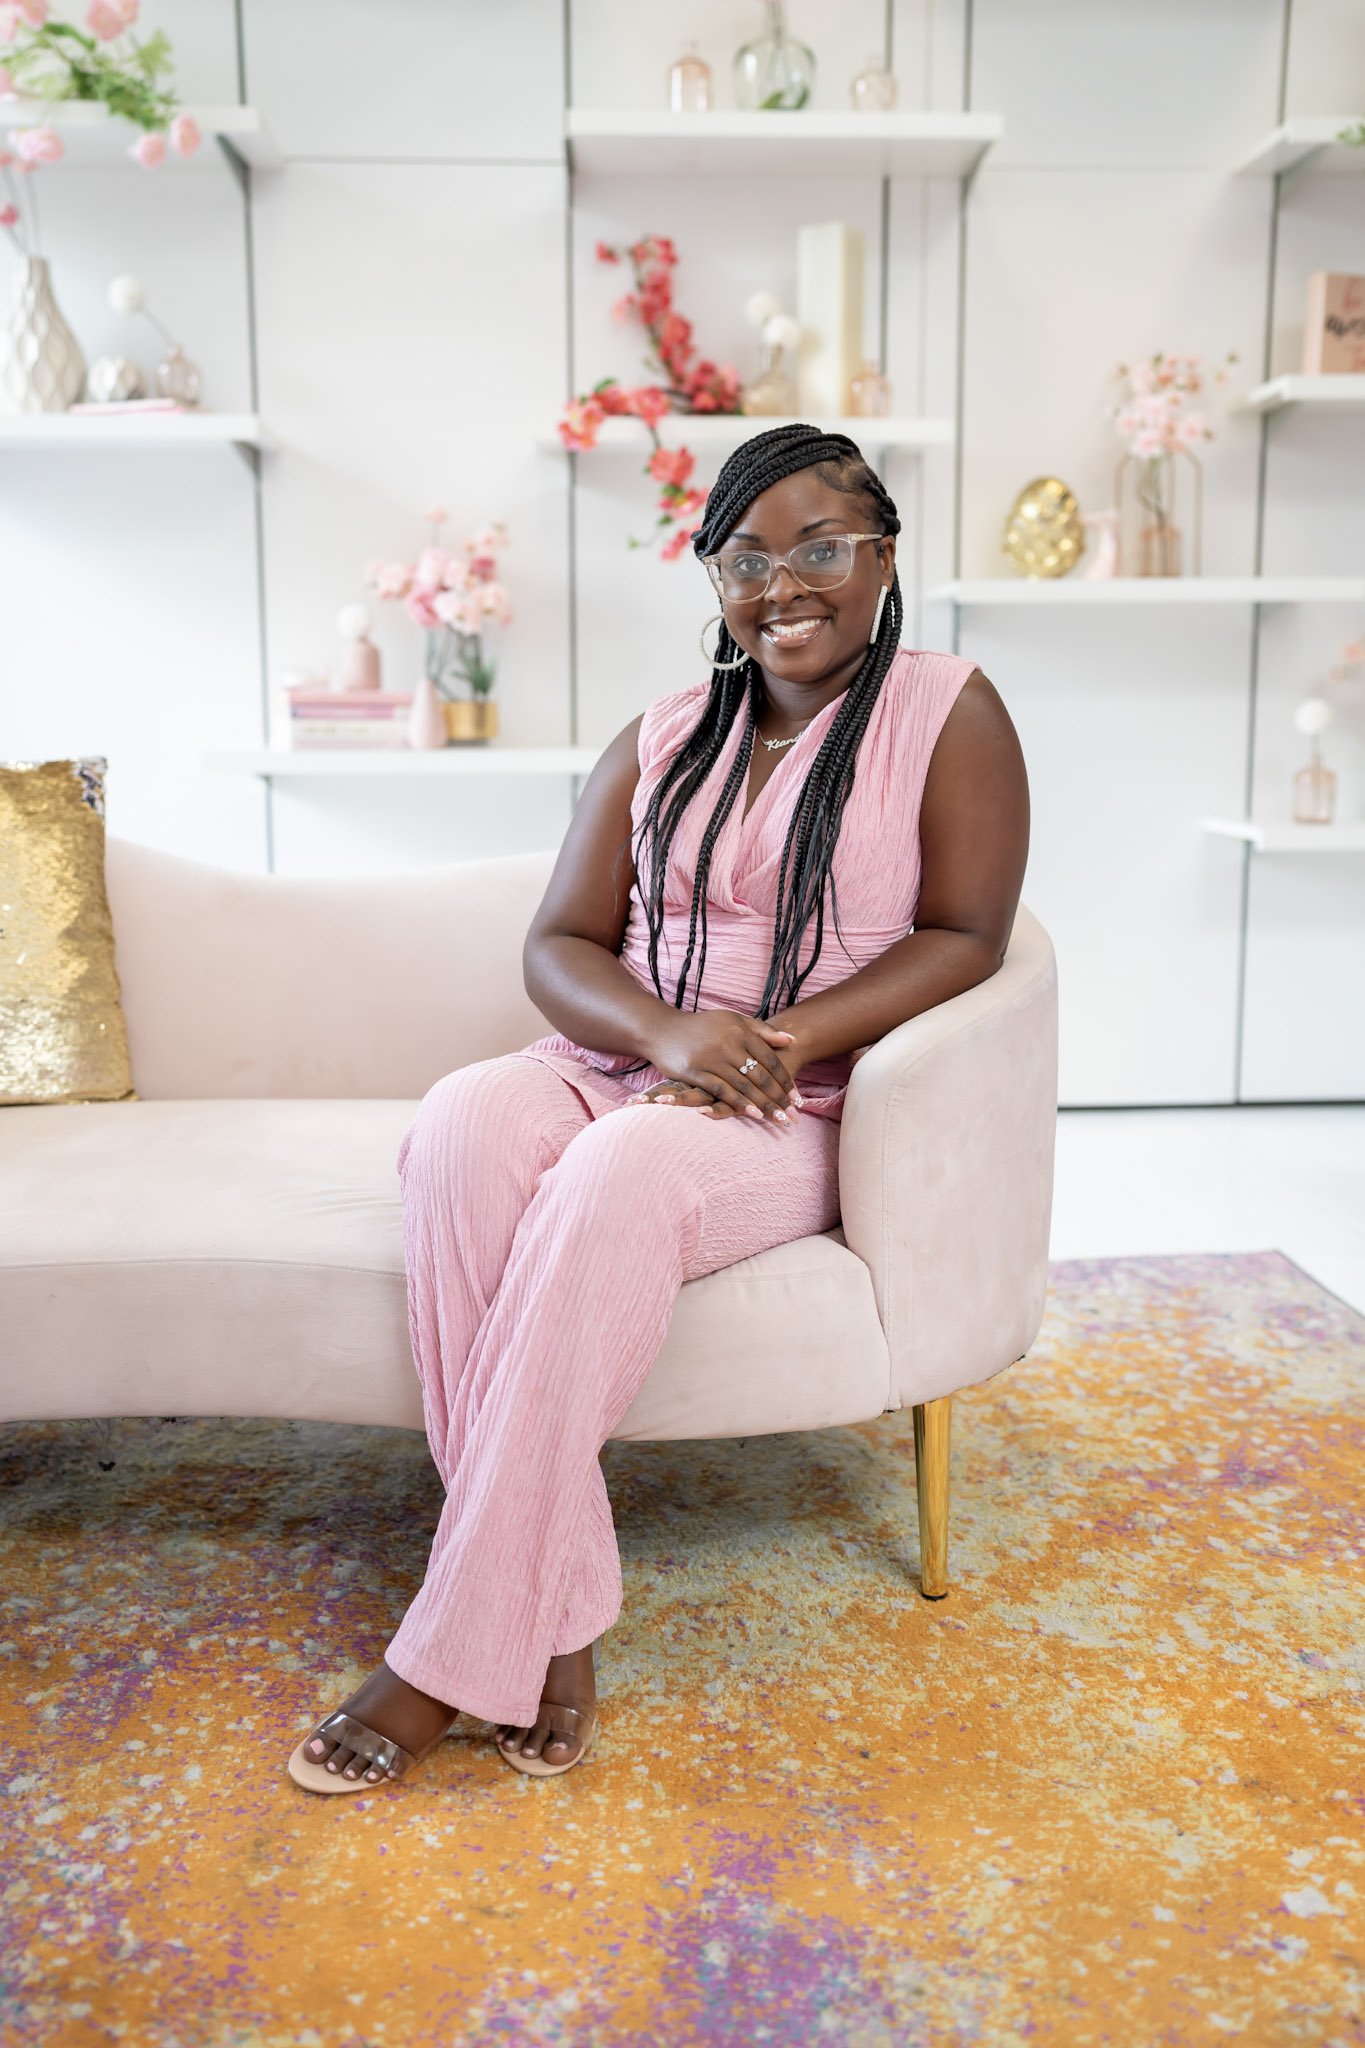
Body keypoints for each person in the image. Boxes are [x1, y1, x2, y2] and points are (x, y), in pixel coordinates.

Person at [286, 422, 1030, 1795]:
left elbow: (967, 935)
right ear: (713, 580)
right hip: (622, 1057)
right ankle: (553, 1620)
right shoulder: (666, 733)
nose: (782, 585)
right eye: (745, 559)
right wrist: (670, 1034)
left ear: (881, 557)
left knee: (621, 1171)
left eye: (819, 549)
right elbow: (558, 943)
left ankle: (444, 1658)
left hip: (794, 1099)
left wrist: (767, 1045)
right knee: (460, 1121)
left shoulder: (948, 710)